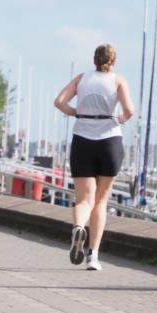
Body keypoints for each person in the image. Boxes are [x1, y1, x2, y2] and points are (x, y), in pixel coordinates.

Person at [53, 43, 134, 271]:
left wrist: (76, 113)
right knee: (100, 201)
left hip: (83, 139)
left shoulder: (82, 78)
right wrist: (119, 119)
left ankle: (79, 227)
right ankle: (93, 257)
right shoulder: (118, 80)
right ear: (113, 61)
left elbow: (59, 102)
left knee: (84, 200)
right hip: (109, 141)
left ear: (94, 60)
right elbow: (129, 110)